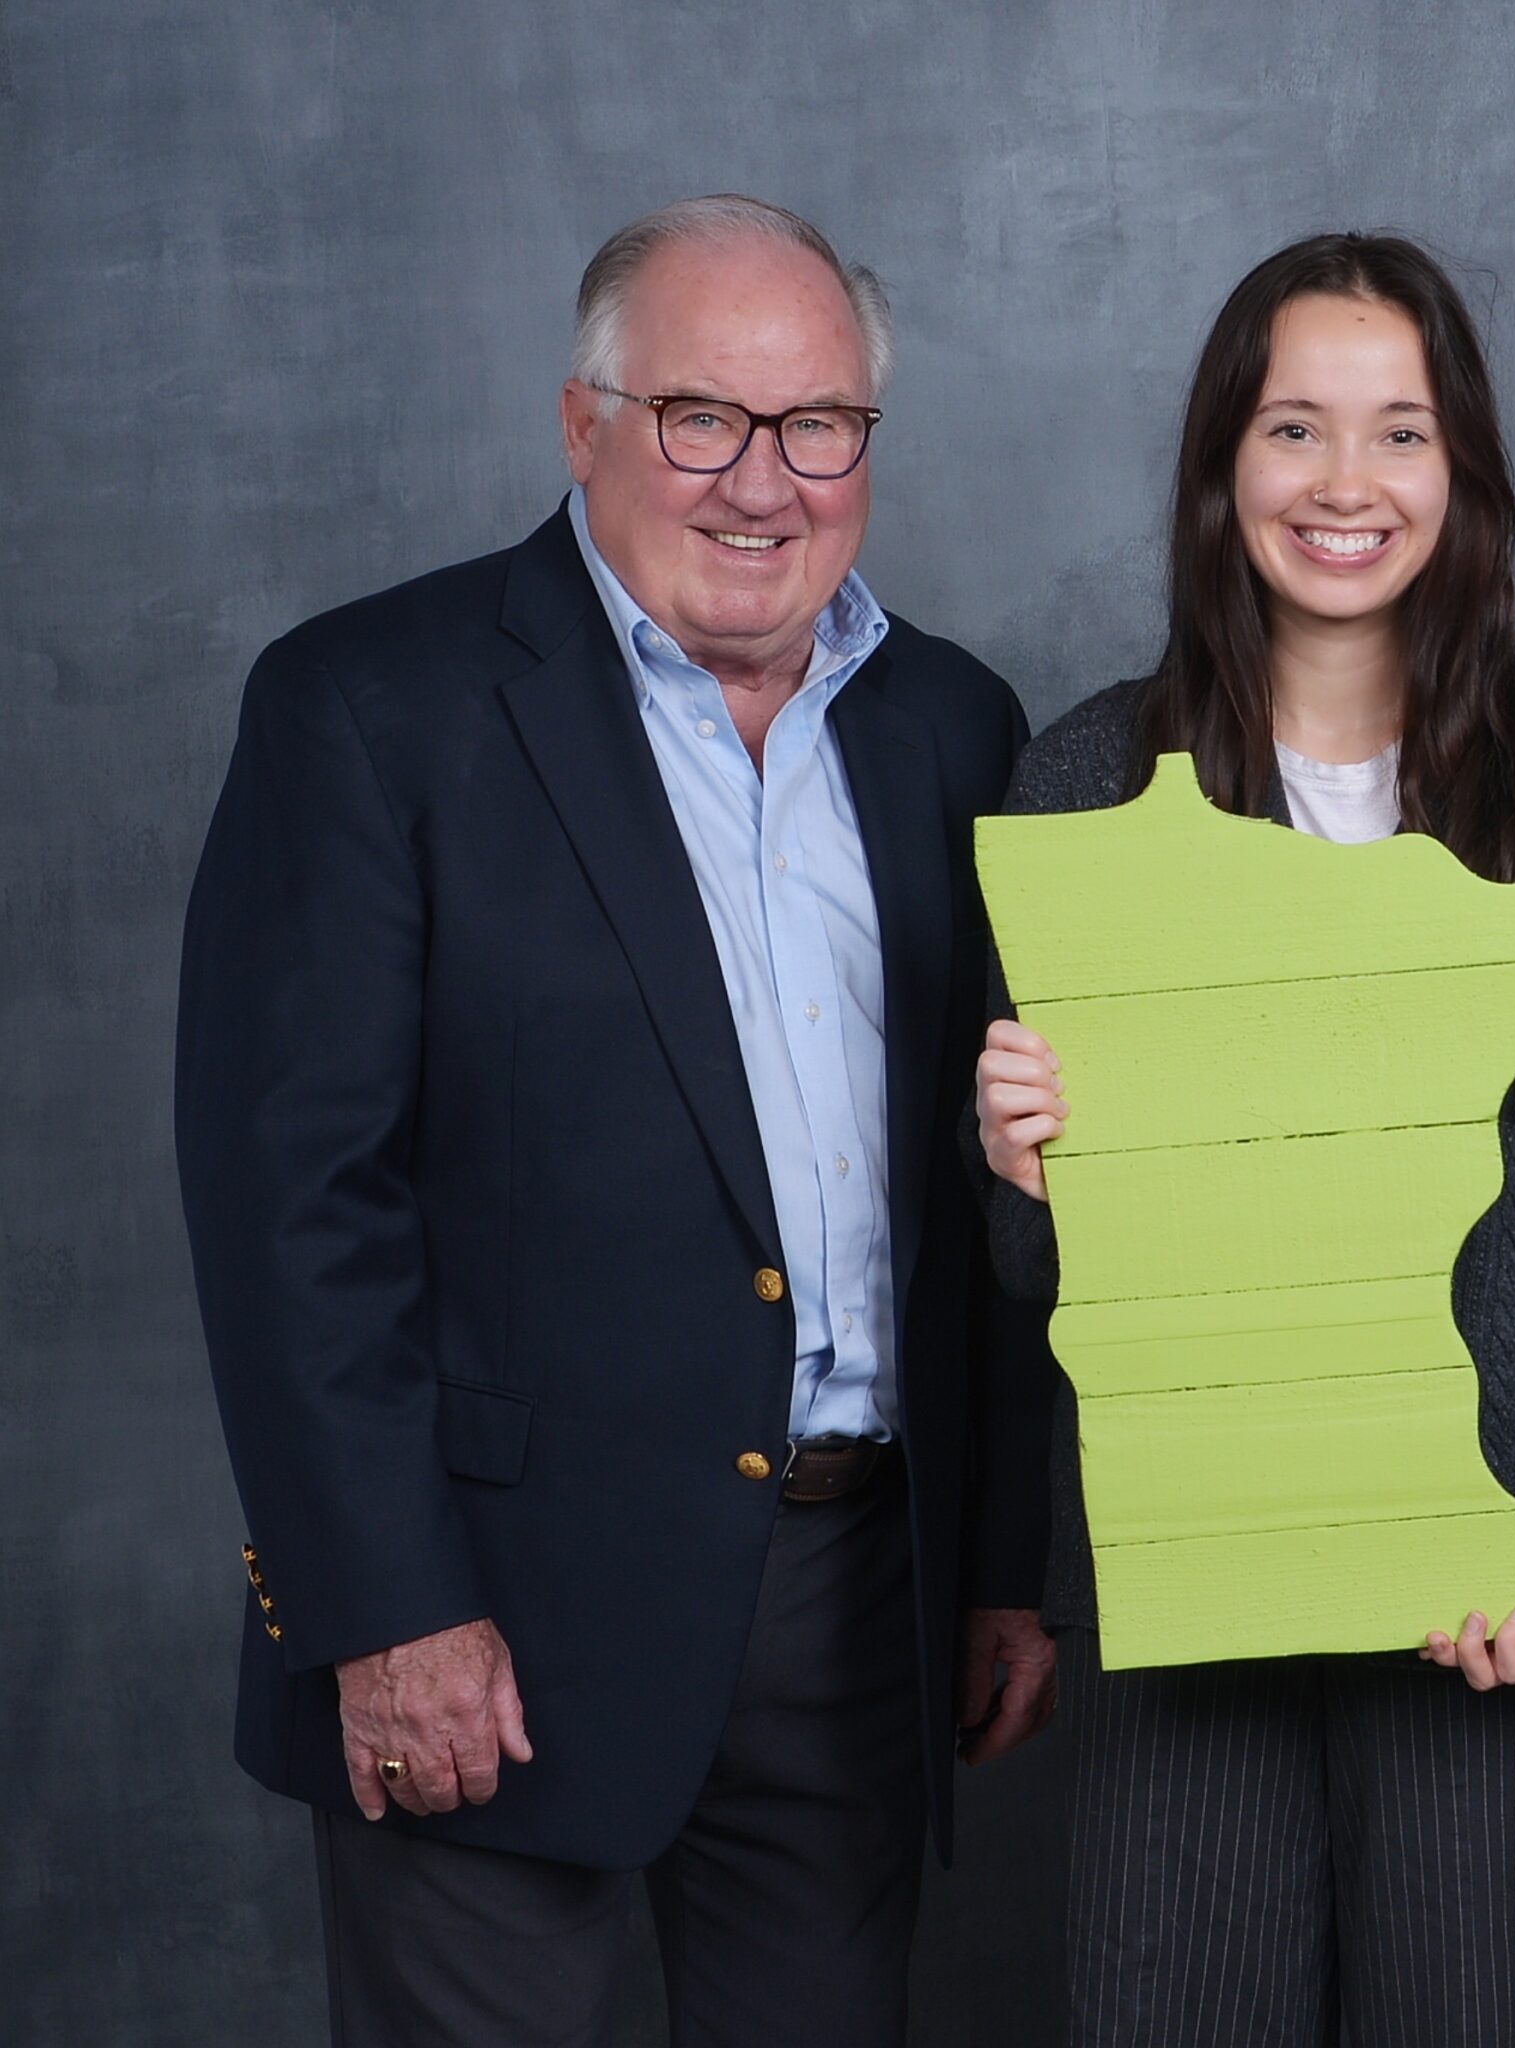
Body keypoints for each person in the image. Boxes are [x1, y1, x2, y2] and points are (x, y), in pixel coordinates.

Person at [174, 194, 1057, 2047]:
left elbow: (976, 1197)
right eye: (700, 419)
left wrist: (994, 1568)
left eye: (819, 425)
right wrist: (384, 1611)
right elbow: (292, 1214)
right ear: (584, 426)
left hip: (853, 1605)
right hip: (487, 1613)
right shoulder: (370, 709)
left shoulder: (961, 731)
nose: (765, 481)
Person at [971, 232, 1515, 2048]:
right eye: (1293, 430)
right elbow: (1038, 1276)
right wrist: (1020, 1170)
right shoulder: (1086, 782)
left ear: (1465, 470)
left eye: (1399, 434)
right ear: (1221, 469)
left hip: (1484, 1596)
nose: (1344, 486)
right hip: (1187, 1599)